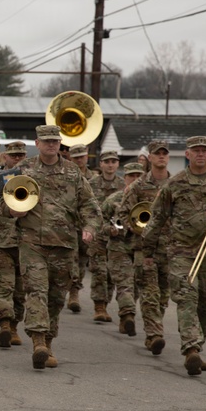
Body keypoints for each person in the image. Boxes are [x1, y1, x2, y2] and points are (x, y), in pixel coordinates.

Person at [141, 135, 206, 376]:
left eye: (205, 150)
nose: (200, 154)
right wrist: (148, 251)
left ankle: (197, 345)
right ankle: (191, 349)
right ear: (187, 154)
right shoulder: (174, 184)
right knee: (186, 298)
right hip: (181, 252)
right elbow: (157, 219)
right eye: (196, 150)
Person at [11, 125, 100, 370]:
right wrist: (12, 211)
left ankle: (48, 343)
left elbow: (90, 206)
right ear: (37, 143)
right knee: (36, 291)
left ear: (60, 143)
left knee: (56, 297)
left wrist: (90, 228)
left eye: (54, 141)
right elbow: (2, 202)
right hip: (32, 244)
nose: (51, 145)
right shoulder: (23, 170)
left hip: (64, 245)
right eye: (46, 141)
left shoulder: (73, 172)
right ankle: (38, 341)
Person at [119, 139, 173, 343]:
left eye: (164, 153)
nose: (161, 156)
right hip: (144, 249)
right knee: (149, 293)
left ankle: (154, 326)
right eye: (157, 153)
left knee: (163, 296)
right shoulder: (138, 185)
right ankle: (154, 334)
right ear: (149, 158)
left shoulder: (176, 184)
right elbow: (123, 212)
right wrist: (132, 227)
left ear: (168, 157)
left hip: (171, 248)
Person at [101, 162, 145, 343]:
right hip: (118, 246)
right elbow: (100, 220)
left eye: (138, 176)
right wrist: (108, 229)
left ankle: (125, 316)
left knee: (135, 285)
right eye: (131, 176)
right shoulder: (113, 199)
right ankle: (128, 315)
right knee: (124, 283)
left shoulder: (149, 201)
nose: (134, 180)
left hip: (140, 247)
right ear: (125, 178)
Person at [0, 141, 27, 348]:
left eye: (21, 155)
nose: (17, 159)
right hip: (1, 242)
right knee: (4, 287)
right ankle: (4, 325)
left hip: (26, 244)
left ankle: (14, 326)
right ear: (5, 157)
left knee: (20, 291)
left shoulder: (32, 181)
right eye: (13, 155)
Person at [87, 150, 123, 323]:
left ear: (117, 164)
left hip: (117, 236)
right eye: (107, 162)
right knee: (99, 271)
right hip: (98, 235)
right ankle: (99, 306)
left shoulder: (124, 185)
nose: (110, 165)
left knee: (111, 273)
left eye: (113, 162)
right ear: (101, 164)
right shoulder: (91, 184)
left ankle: (106, 304)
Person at [66, 143, 95, 313]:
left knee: (83, 259)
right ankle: (72, 292)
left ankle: (75, 289)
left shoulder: (94, 178)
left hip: (85, 225)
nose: (79, 160)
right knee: (70, 260)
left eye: (81, 156)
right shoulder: (66, 175)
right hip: (68, 224)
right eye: (75, 157)